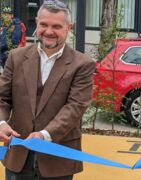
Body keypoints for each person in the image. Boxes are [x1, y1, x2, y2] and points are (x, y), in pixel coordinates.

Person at [0, 0, 95, 179]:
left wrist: (45, 135)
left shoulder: (83, 64)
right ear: (36, 23)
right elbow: (2, 98)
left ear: (69, 27)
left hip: (58, 157)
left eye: (56, 26)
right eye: (44, 24)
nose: (49, 31)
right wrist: (1, 123)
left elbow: (75, 107)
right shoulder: (16, 57)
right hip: (17, 156)